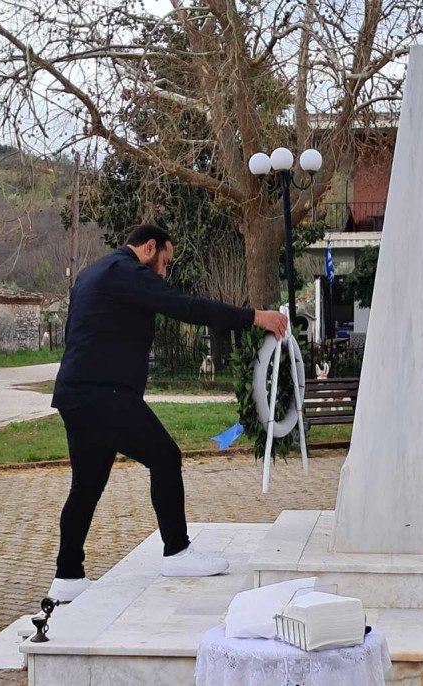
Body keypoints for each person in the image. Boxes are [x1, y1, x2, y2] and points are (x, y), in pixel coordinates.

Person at [48, 224, 287, 602]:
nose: (163, 272)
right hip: (106, 394)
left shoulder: (92, 274)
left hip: (75, 394)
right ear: (149, 248)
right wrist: (254, 317)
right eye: (165, 262)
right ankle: (177, 551)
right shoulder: (127, 272)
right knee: (165, 457)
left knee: (87, 485)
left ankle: (67, 577)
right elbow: (185, 306)